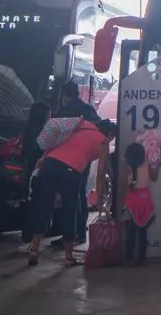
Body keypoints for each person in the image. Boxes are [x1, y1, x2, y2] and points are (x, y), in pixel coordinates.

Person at [27, 118, 117, 268]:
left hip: (50, 164)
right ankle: (68, 257)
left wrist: (44, 156)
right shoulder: (104, 142)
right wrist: (100, 202)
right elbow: (101, 175)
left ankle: (34, 251)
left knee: (43, 207)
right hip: (70, 172)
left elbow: (57, 134)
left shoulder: (82, 124)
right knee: (69, 212)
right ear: (111, 133)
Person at [58, 81, 100, 246]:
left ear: (66, 95)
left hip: (69, 157)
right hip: (85, 156)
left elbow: (60, 134)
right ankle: (81, 232)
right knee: (80, 192)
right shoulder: (88, 109)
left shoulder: (65, 111)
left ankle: (71, 233)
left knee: (70, 195)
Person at [120, 140, 159, 265]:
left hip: (132, 200)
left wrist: (123, 204)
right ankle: (142, 257)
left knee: (130, 231)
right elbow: (154, 177)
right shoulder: (148, 165)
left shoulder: (129, 168)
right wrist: (156, 165)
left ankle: (129, 256)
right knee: (143, 231)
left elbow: (127, 186)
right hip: (145, 200)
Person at [19, 102, 51, 248]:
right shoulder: (44, 131)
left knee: (30, 203)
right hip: (39, 172)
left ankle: (27, 235)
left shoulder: (29, 129)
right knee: (39, 205)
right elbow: (44, 152)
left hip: (28, 170)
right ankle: (33, 239)